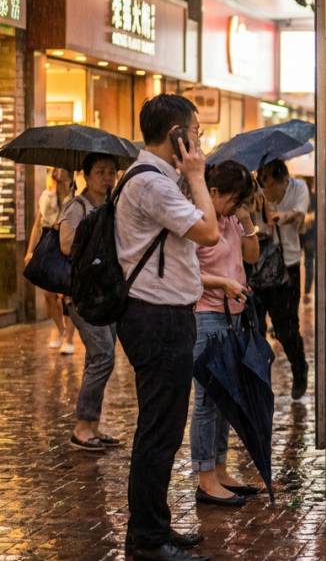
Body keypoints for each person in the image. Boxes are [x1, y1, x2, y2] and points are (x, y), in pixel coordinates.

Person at [116, 94, 219, 561]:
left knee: (161, 428)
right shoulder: (152, 185)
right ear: (176, 135)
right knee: (159, 431)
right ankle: (148, 539)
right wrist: (196, 175)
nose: (200, 141)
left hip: (164, 316)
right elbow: (209, 232)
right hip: (157, 319)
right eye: (196, 131)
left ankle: (151, 527)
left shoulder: (156, 179)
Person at [190, 160, 261, 508]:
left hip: (233, 316)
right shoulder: (196, 221)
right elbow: (187, 274)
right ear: (214, 191)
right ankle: (205, 478)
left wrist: (246, 222)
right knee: (206, 399)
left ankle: (219, 469)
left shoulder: (232, 220)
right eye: (233, 200)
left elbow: (252, 257)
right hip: (206, 315)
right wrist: (222, 283)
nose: (235, 206)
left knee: (225, 398)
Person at [59, 154, 120, 451]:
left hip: (106, 294)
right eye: (100, 172)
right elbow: (66, 245)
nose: (107, 178)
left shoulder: (112, 207)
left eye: (112, 172)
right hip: (82, 295)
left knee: (97, 358)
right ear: (86, 175)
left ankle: (92, 425)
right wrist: (93, 229)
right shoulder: (77, 206)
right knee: (103, 355)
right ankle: (82, 427)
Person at [256, 159, 309, 399]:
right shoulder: (256, 193)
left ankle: (299, 368)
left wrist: (278, 216)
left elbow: (298, 214)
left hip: (288, 265)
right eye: (262, 183)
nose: (266, 190)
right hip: (259, 268)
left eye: (269, 184)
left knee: (286, 328)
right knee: (256, 328)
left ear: (283, 181)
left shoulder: (298, 188)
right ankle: (259, 380)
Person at [26, 166, 76, 353]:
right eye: (57, 171)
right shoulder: (46, 196)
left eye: (63, 172)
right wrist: (30, 251)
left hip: (66, 242)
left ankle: (69, 339)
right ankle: (61, 330)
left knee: (68, 295)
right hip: (48, 242)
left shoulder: (73, 201)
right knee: (48, 295)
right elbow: (37, 224)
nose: (58, 173)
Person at [301, 178, 316, 305]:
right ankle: (306, 290)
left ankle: (306, 290)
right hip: (309, 234)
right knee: (308, 262)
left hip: (305, 234)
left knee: (307, 261)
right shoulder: (314, 197)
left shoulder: (303, 197)